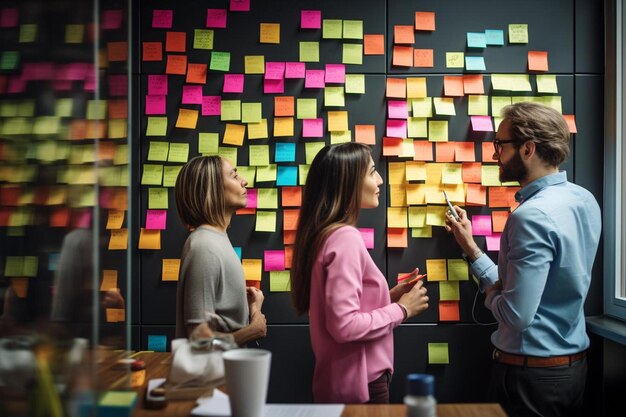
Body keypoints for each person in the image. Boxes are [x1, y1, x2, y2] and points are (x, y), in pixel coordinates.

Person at [444, 102, 601, 417]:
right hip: (571, 371)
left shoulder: (531, 217)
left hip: (530, 380)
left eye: (499, 145)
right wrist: (472, 249)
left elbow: (516, 316)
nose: (494, 155)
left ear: (528, 149)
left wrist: (492, 293)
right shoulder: (583, 199)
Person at [290, 142, 430, 404]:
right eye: (371, 172)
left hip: (343, 383)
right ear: (348, 182)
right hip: (362, 387)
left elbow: (341, 313)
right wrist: (402, 310)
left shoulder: (325, 235)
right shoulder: (345, 238)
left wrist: (388, 297)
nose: (379, 179)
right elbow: (344, 326)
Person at [174, 155, 266, 345]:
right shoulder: (204, 246)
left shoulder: (217, 240)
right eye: (233, 176)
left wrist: (253, 310)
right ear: (212, 189)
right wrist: (253, 330)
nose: (244, 181)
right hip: (211, 374)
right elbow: (199, 340)